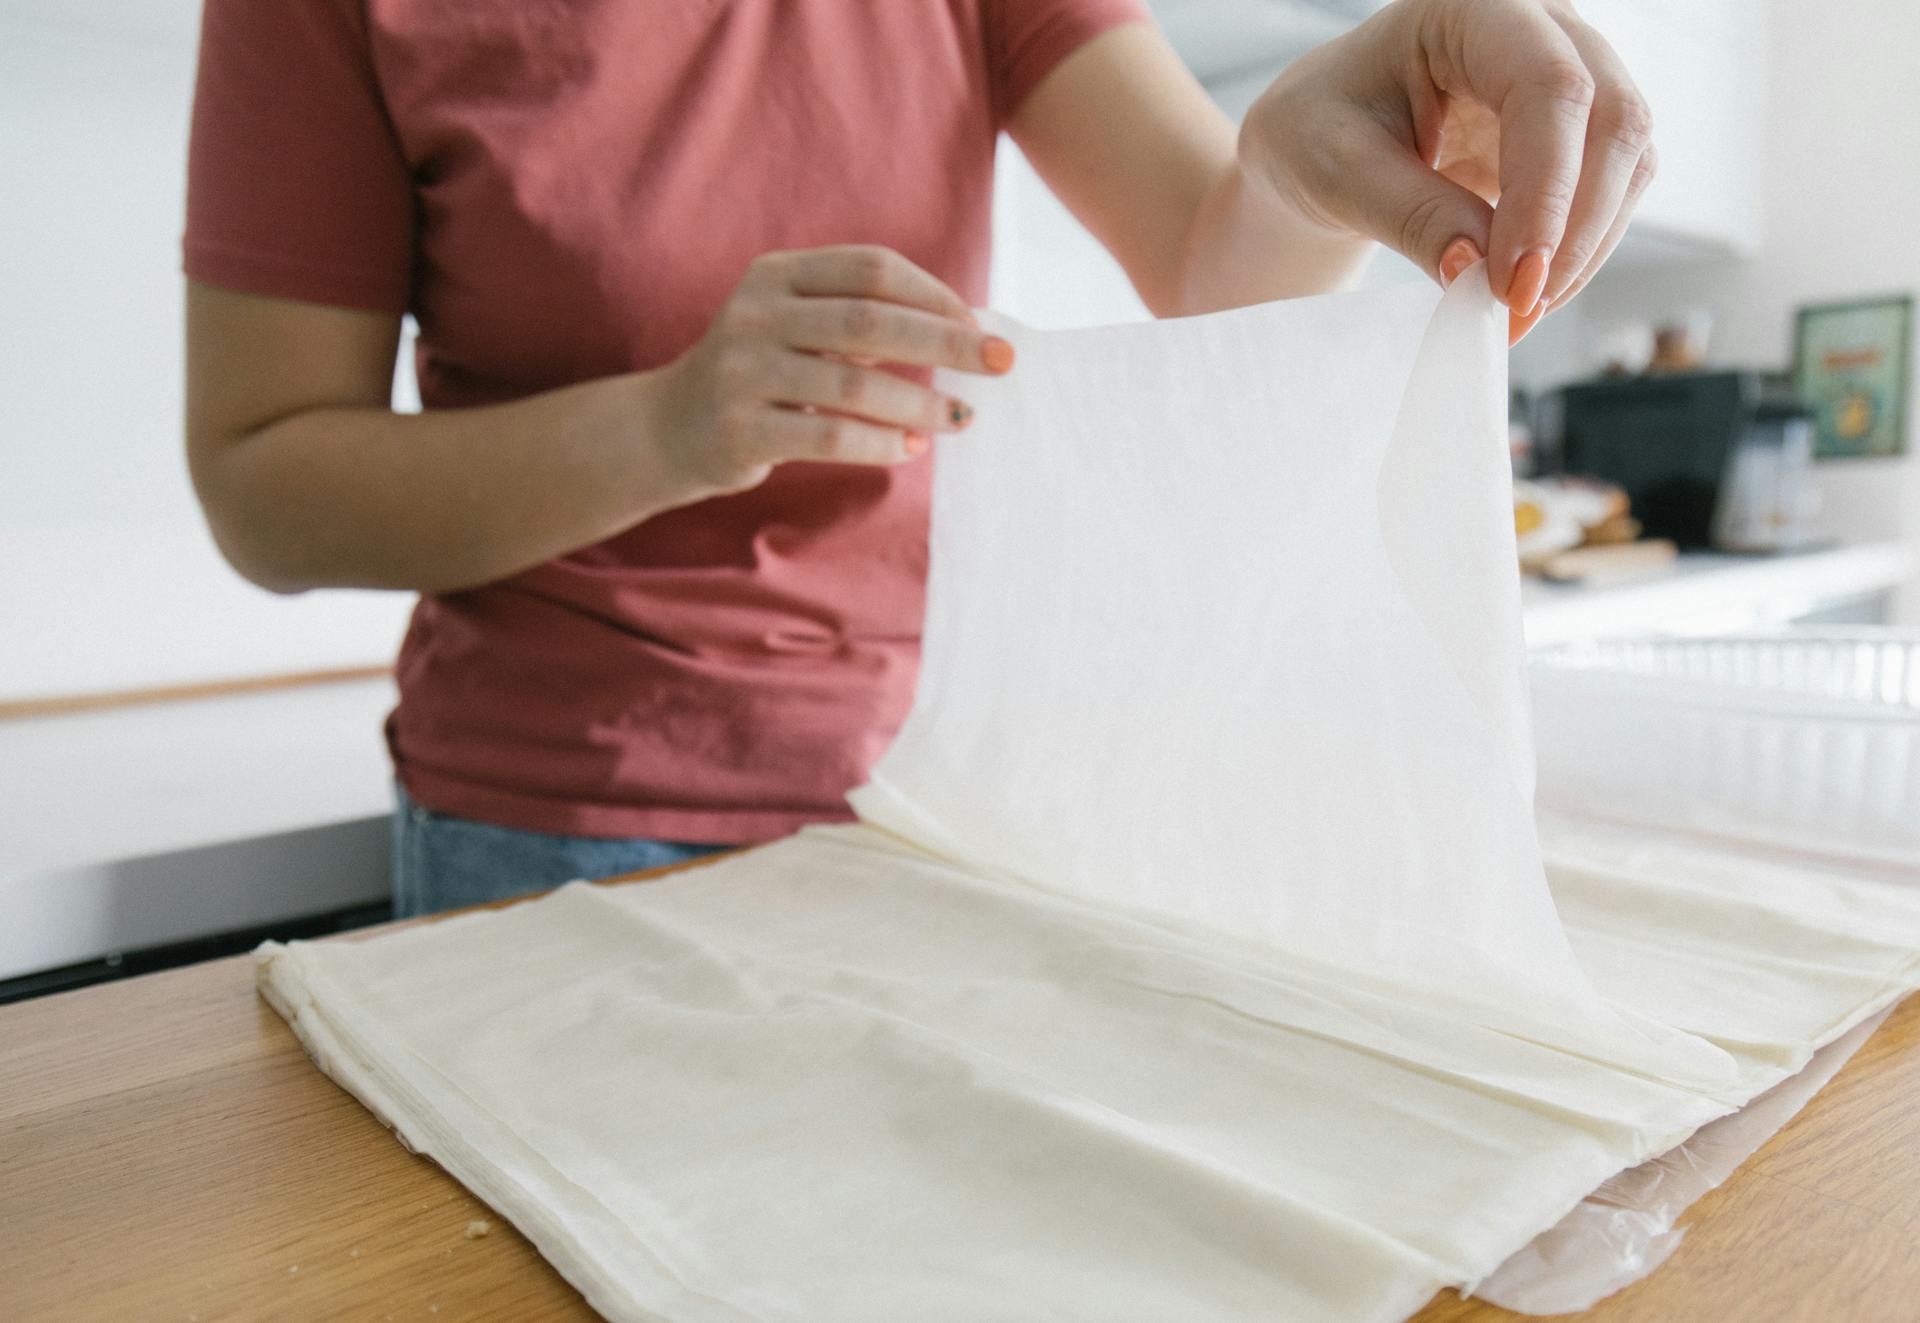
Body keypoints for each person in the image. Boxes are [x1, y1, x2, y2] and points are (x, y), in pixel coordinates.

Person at [182, 0, 1654, 917]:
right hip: (548, 836)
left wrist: (1301, 146)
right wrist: (667, 426)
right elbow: (265, 485)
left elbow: (1217, 262)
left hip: (924, 803)